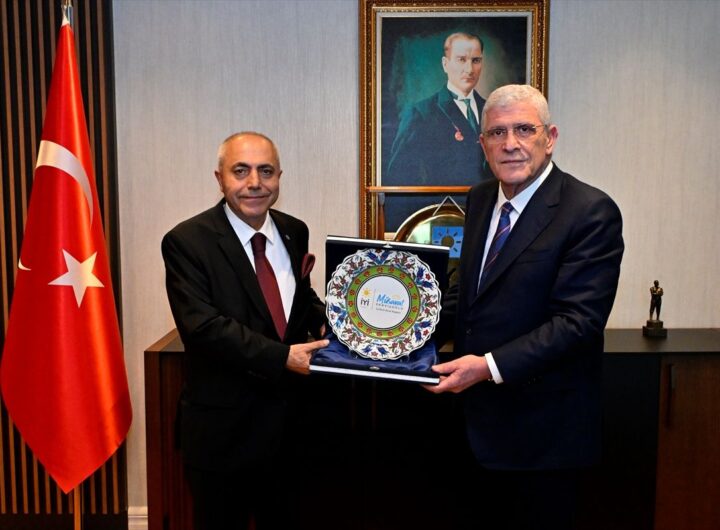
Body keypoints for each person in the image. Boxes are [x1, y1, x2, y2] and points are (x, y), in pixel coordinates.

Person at [425, 85, 624, 530]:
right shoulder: (480, 199)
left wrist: (487, 367)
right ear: (482, 145)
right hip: (472, 429)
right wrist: (396, 333)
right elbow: (467, 295)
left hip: (543, 440)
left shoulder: (590, 211)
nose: (510, 143)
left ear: (549, 138)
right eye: (497, 132)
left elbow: (577, 323)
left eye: (523, 130)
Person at [161, 132, 329, 530]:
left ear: (279, 178)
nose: (255, 182)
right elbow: (203, 327)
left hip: (291, 431)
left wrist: (328, 321)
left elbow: (300, 297)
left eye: (265, 171)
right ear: (219, 178)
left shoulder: (294, 230)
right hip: (223, 435)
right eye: (241, 171)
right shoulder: (186, 241)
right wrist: (283, 357)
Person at [386, 32, 490, 185]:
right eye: (461, 60)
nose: (469, 69)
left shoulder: (491, 110)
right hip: (443, 200)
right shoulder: (421, 113)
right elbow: (398, 176)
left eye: (476, 60)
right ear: (445, 64)